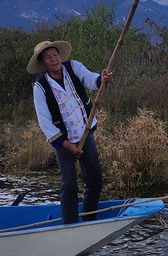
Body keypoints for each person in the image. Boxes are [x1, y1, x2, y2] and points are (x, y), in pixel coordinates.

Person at [27, 40, 113, 224]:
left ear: (60, 56)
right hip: (63, 141)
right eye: (48, 57)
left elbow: (91, 79)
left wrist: (101, 79)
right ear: (43, 64)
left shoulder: (73, 67)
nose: (54, 59)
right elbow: (45, 121)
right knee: (70, 184)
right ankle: (70, 226)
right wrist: (67, 145)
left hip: (84, 132)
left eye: (55, 55)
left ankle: (89, 218)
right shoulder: (40, 87)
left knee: (95, 179)